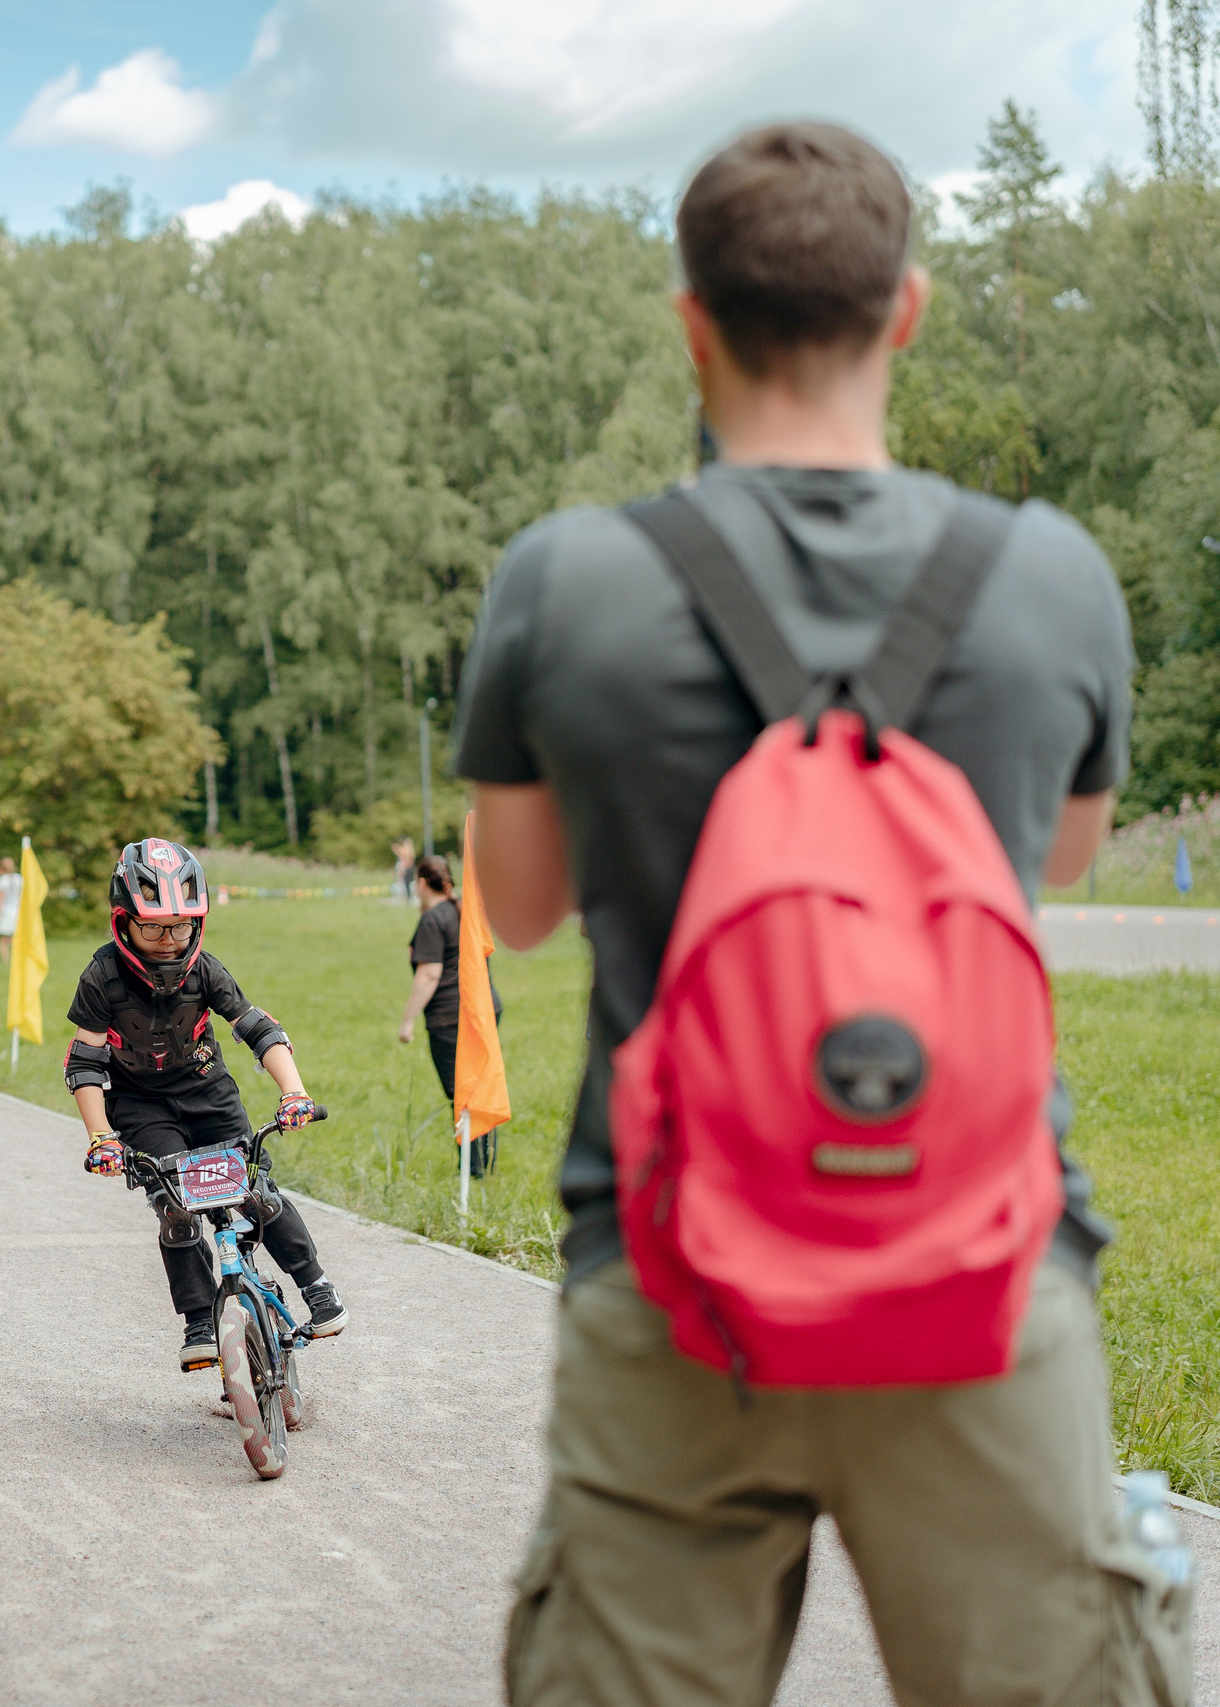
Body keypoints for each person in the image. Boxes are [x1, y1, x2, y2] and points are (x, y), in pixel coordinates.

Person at [455, 123, 1183, 1701]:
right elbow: (1058, 858)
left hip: (669, 1276)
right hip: (983, 1274)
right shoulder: (1052, 574)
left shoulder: (567, 578)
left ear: (691, 320)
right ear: (906, 311)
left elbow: (513, 913)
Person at [65, 838, 349, 1371]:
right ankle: (199, 1320)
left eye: (180, 925)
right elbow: (84, 1064)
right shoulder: (101, 976)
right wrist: (101, 1136)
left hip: (209, 1095)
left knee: (254, 1193)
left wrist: (294, 1092)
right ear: (123, 922)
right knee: (176, 1210)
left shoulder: (205, 970)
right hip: (141, 1106)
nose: (168, 941)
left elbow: (258, 1029)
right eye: (152, 926)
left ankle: (315, 1287)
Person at [395, 853, 500, 1178]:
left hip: (450, 1018)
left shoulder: (433, 919)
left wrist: (408, 1020)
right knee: (480, 1087)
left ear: (422, 883)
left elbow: (429, 974)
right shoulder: (464, 909)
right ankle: (483, 1163)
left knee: (462, 1093)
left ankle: (473, 1169)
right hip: (483, 1009)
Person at [0, 855, 21, 962]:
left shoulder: (2, 880)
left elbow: (0, 900)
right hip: (18, 912)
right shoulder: (19, 878)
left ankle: (6, 961)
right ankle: (17, 959)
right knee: (14, 939)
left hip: (6, 912)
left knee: (3, 940)